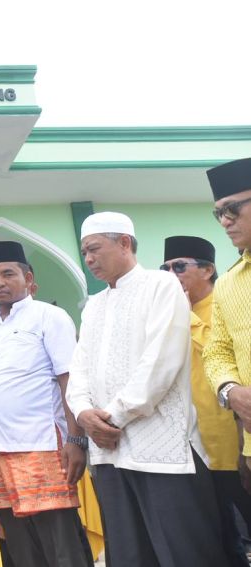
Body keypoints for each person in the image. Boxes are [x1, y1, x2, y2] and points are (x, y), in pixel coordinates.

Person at [66, 212, 228, 567]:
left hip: (163, 451)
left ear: (124, 242)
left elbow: (161, 363)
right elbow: (78, 369)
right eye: (84, 252)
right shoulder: (94, 306)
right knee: (128, 554)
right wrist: (82, 412)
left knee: (183, 552)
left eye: (94, 249)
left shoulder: (162, 285)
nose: (88, 259)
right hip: (109, 453)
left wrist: (112, 418)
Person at [0, 241, 89, 567]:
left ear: (28, 278)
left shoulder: (50, 317)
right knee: (17, 542)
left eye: (8, 274)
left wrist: (76, 440)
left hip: (41, 445)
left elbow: (69, 382)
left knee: (58, 538)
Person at [163, 235, 251, 566]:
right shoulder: (172, 314)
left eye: (180, 266)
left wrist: (183, 316)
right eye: (166, 267)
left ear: (208, 269)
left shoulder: (225, 302)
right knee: (217, 538)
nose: (172, 273)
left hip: (234, 440)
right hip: (194, 447)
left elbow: (216, 352)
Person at [203, 158, 251, 475]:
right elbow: (216, 351)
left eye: (232, 209)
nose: (225, 221)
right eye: (219, 212)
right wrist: (230, 390)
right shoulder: (227, 284)